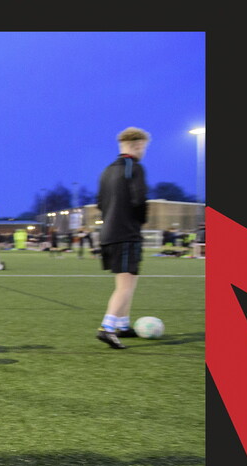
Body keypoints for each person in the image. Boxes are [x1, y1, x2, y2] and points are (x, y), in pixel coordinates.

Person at [95, 126, 150, 349]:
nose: (144, 151)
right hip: (126, 233)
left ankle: (124, 326)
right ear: (137, 145)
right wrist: (139, 222)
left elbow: (100, 203)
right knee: (125, 286)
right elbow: (139, 200)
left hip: (108, 234)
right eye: (144, 147)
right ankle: (107, 328)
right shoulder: (134, 167)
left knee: (127, 283)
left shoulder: (107, 170)